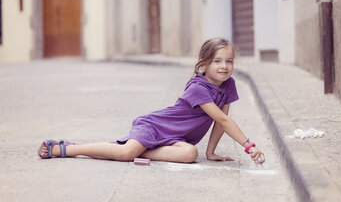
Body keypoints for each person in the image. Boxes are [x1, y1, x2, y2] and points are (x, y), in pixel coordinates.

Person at [38, 38, 265, 164]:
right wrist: (249, 146)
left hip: (175, 139)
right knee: (126, 154)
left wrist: (211, 152)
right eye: (217, 61)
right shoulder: (198, 87)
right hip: (155, 126)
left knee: (190, 154)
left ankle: (140, 150)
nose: (224, 66)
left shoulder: (229, 85)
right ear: (204, 65)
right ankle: (66, 148)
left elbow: (220, 122)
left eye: (229, 61)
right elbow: (223, 120)